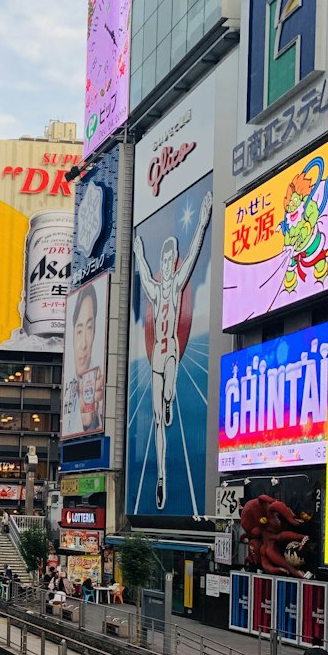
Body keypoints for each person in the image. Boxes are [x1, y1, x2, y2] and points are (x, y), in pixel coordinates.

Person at [133, 190, 212, 510]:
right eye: (163, 260)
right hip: (155, 357)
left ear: (173, 262)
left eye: (169, 259)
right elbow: (141, 265)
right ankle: (162, 476)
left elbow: (194, 251)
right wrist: (139, 250)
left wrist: (204, 219)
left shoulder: (178, 282)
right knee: (155, 418)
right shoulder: (153, 289)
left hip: (171, 351)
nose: (166, 264)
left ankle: (169, 398)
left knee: (167, 392)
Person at [63, 283, 105, 438]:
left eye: (89, 328)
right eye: (79, 331)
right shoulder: (68, 382)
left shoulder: (100, 384)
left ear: (94, 332)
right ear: (72, 334)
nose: (83, 344)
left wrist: (90, 424)